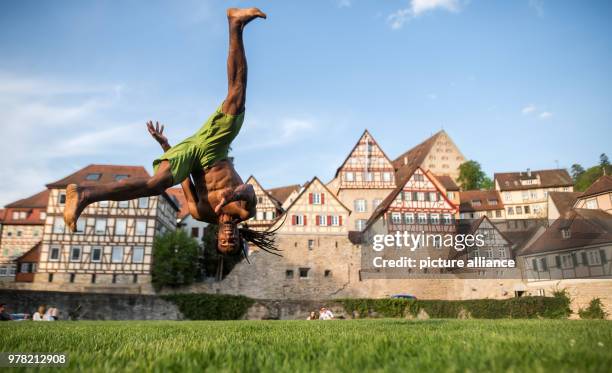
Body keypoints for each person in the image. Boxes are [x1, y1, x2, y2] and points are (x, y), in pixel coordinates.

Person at [63, 8, 279, 257]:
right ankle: (235, 24)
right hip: (213, 150)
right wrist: (234, 192)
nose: (228, 236)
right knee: (237, 96)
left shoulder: (200, 213)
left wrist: (168, 149)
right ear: (240, 236)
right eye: (232, 240)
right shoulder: (244, 211)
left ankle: (84, 194)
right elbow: (250, 191)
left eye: (224, 241)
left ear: (216, 237)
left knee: (155, 185)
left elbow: (184, 181)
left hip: (187, 155)